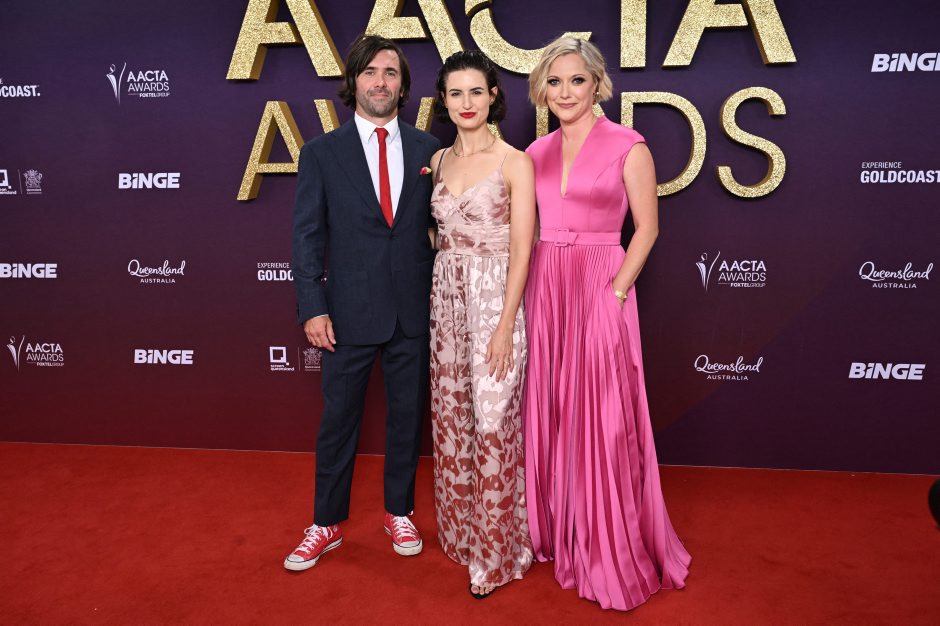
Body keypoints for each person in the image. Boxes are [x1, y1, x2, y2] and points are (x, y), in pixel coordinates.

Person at [522, 37, 692, 610]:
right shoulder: (535, 151)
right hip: (546, 281)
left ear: (597, 84)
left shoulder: (628, 145)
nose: (565, 92)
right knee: (551, 401)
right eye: (554, 82)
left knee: (600, 410)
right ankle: (557, 527)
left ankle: (604, 538)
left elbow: (647, 229)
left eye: (577, 80)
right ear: (541, 90)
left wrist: (616, 292)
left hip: (601, 279)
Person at [285, 35, 441, 571]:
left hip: (413, 311)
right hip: (346, 313)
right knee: (338, 422)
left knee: (406, 420)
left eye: (391, 73)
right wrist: (312, 306)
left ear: (403, 85)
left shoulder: (428, 150)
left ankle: (399, 511)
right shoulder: (321, 153)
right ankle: (326, 522)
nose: (381, 81)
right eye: (370, 72)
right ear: (353, 81)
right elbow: (307, 235)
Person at [428, 50, 536, 598]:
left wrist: (504, 324)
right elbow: (436, 235)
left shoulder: (515, 161)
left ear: (493, 95)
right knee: (454, 421)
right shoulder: (438, 159)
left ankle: (496, 554)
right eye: (456, 93)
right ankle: (462, 536)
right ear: (444, 101)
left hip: (496, 301)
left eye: (476, 91)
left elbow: (523, 249)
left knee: (494, 424)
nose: (466, 102)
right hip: (446, 302)